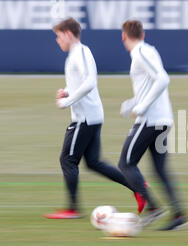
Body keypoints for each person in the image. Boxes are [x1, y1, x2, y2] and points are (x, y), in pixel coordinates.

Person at [44, 17, 141, 219]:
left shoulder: (79, 52)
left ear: (69, 34)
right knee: (94, 162)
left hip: (84, 118)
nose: (57, 40)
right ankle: (138, 186)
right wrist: (67, 91)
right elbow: (80, 82)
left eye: (58, 36)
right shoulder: (78, 53)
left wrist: (67, 102)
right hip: (92, 116)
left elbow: (89, 82)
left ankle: (73, 209)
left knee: (67, 160)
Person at [118, 19, 188, 230]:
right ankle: (179, 214)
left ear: (124, 36)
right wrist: (132, 103)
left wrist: (141, 107)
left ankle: (153, 207)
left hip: (151, 120)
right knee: (160, 169)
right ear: (143, 34)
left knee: (125, 163)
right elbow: (150, 85)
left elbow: (162, 79)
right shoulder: (149, 50)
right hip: (162, 118)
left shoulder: (140, 53)